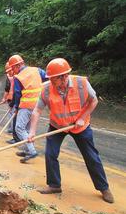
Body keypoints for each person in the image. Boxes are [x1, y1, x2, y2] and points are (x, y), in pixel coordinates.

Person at [27, 58, 114, 203]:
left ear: (64, 76)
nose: (51, 82)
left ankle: (104, 188)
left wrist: (83, 117)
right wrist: (32, 132)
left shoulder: (82, 83)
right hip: (57, 125)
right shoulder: (47, 89)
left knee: (91, 157)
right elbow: (37, 110)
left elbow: (94, 101)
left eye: (54, 79)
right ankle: (54, 185)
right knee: (50, 154)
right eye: (50, 78)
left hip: (80, 126)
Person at [7, 54, 47, 163]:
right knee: (28, 130)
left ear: (17, 66)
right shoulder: (36, 70)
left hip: (26, 105)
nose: (13, 71)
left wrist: (15, 107)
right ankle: (27, 150)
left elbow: (17, 94)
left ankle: (32, 151)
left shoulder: (18, 77)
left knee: (19, 127)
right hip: (38, 104)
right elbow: (48, 78)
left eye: (13, 68)